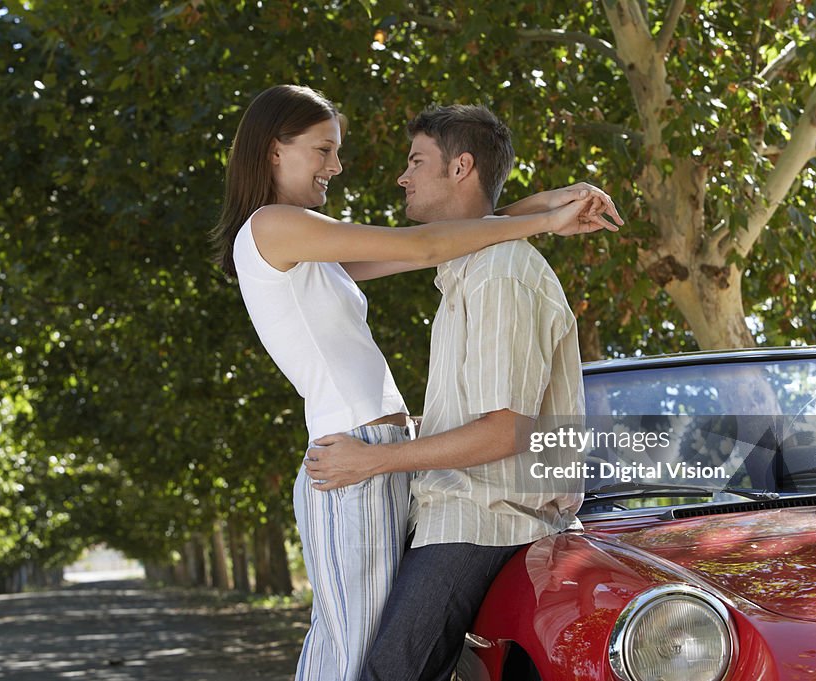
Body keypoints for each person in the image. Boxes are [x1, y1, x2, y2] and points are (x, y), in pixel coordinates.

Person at [209, 85, 618, 681]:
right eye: (324, 150)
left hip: (378, 457)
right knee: (347, 652)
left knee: (367, 649)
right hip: (353, 457)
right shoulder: (275, 225)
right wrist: (549, 222)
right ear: (275, 151)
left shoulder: (308, 247)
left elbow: (445, 240)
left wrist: (542, 203)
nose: (337, 166)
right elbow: (425, 242)